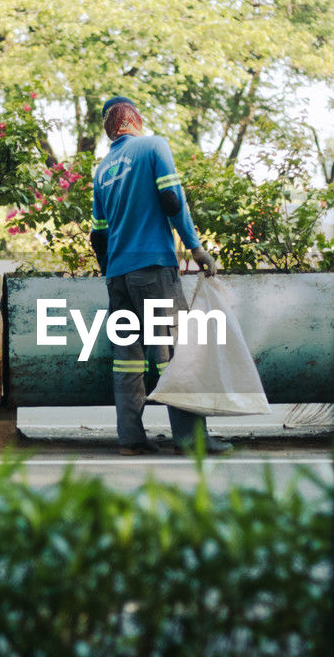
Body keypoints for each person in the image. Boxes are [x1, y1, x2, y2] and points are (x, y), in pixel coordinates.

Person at [90, 94, 232, 456]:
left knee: (128, 360)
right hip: (153, 268)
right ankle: (191, 440)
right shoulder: (154, 146)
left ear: (110, 128)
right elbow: (172, 199)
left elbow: (98, 235)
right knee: (176, 353)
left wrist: (114, 274)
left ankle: (131, 440)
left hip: (118, 276)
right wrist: (196, 248)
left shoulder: (103, 170)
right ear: (134, 119)